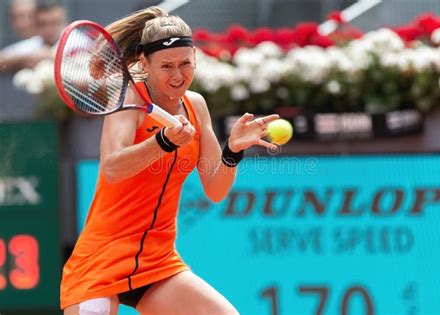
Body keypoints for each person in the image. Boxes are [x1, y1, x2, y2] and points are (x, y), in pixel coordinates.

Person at [61, 6, 279, 315]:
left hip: (157, 261)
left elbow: (215, 189)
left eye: (185, 64)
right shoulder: (129, 102)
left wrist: (233, 150)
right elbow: (112, 168)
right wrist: (161, 142)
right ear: (144, 64)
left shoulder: (196, 105)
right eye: (166, 66)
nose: (178, 75)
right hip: (102, 260)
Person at [0, 0, 67, 72]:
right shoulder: (33, 43)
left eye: (54, 23)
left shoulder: (76, 41)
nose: (49, 30)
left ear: (65, 21)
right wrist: (28, 58)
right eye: (43, 24)